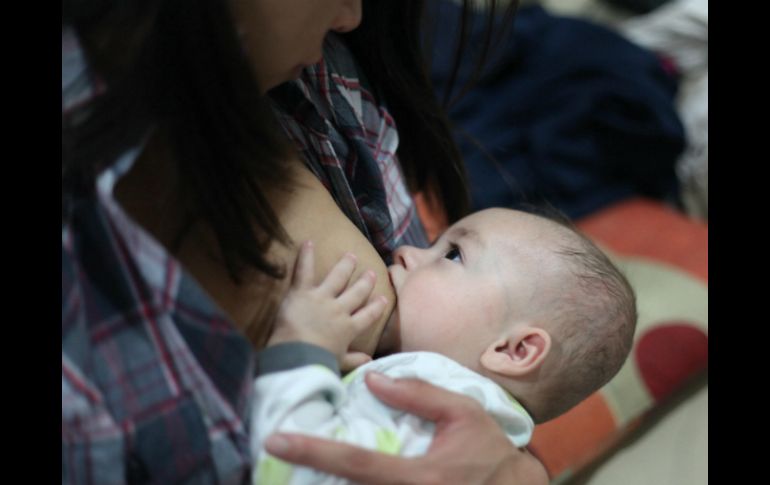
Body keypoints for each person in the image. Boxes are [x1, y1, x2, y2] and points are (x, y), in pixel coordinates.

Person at [62, 0, 548, 482]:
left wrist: (519, 472)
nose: (352, 16)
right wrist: (303, 359)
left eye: (453, 253)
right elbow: (291, 462)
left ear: (517, 351)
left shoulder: (309, 74)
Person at [249, 207, 636, 483]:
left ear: (512, 351)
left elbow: (291, 468)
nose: (405, 250)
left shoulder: (429, 402)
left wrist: (302, 350)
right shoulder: (479, 428)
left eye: (452, 255)